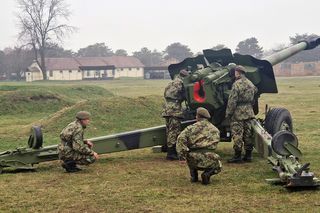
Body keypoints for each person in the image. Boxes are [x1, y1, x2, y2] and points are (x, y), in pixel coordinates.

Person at [176, 107, 222, 185]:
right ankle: (207, 174)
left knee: (190, 156)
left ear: (197, 116)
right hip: (209, 157)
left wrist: (182, 156)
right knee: (219, 165)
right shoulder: (215, 129)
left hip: (193, 158)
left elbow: (180, 139)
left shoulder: (190, 128)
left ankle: (194, 176)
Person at [226, 65, 258, 163]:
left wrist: (229, 113)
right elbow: (254, 95)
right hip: (249, 111)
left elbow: (232, 100)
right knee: (248, 133)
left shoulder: (237, 84)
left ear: (238, 73)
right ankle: (248, 155)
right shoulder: (250, 83)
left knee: (237, 133)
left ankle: (237, 156)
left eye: (235, 72)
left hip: (238, 112)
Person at [162, 69, 189, 160]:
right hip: (175, 109)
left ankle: (169, 150)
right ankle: (171, 154)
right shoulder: (181, 83)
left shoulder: (171, 82)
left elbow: (165, 94)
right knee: (174, 131)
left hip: (167, 108)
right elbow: (186, 96)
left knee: (169, 130)